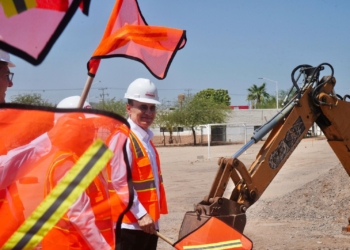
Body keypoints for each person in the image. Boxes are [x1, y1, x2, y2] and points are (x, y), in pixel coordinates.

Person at [42, 97, 114, 250]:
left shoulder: (84, 160)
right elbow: (82, 219)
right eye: (85, 126)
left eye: (92, 125)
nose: (92, 130)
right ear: (68, 128)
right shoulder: (66, 165)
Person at [107, 78, 168, 250]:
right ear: (129, 108)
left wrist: (150, 218)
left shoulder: (146, 140)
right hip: (130, 226)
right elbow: (120, 183)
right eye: (143, 107)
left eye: (152, 107)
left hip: (148, 223)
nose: (148, 112)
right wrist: (141, 214)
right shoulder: (123, 138)